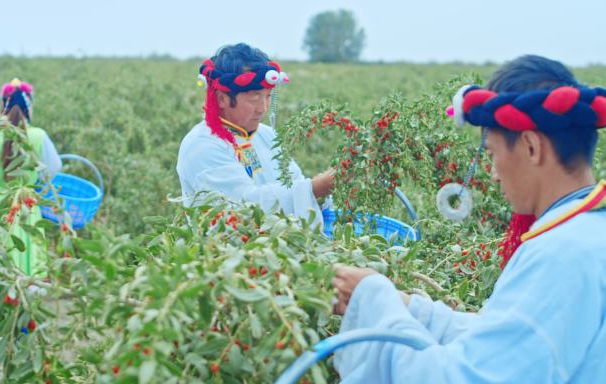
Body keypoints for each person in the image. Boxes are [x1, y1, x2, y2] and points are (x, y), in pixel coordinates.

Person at [331, 55, 606, 382]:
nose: (492, 175)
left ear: (531, 147)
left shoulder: (561, 256)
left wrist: (375, 299)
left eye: (492, 154)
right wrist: (409, 307)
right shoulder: (587, 233)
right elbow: (508, 338)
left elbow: (460, 377)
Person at [176, 43, 334, 226]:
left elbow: (293, 182)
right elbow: (242, 208)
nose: (263, 108)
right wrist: (315, 188)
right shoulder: (202, 145)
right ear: (221, 99)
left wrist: (322, 195)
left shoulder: (267, 135)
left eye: (267, 96)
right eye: (254, 97)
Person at [0, 78, 61, 360]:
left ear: (2, 106)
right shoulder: (39, 136)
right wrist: (33, 186)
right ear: (30, 107)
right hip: (27, 207)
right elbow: (53, 170)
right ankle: (22, 341)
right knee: (26, 272)